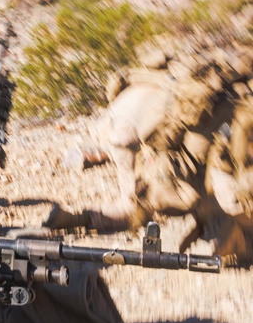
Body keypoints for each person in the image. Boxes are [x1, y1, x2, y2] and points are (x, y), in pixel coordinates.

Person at [42, 42, 253, 267]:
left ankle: (78, 218)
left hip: (135, 125)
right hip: (141, 134)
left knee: (148, 203)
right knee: (146, 203)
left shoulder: (205, 103)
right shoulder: (227, 110)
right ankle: (236, 240)